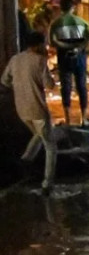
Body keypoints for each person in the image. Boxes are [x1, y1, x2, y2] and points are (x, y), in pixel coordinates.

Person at [3, 32, 57, 191]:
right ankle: (48, 183)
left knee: (39, 135)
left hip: (21, 109)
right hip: (37, 109)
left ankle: (26, 160)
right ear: (39, 45)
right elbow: (50, 85)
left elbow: (4, 80)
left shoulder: (15, 59)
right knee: (51, 146)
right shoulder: (40, 61)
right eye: (44, 43)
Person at [48, 0, 89, 126]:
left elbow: (52, 42)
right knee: (81, 86)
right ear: (73, 8)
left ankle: (68, 119)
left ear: (61, 8)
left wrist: (65, 46)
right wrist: (79, 47)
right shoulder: (81, 21)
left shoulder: (56, 24)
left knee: (66, 86)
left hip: (64, 57)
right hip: (79, 57)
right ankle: (84, 118)